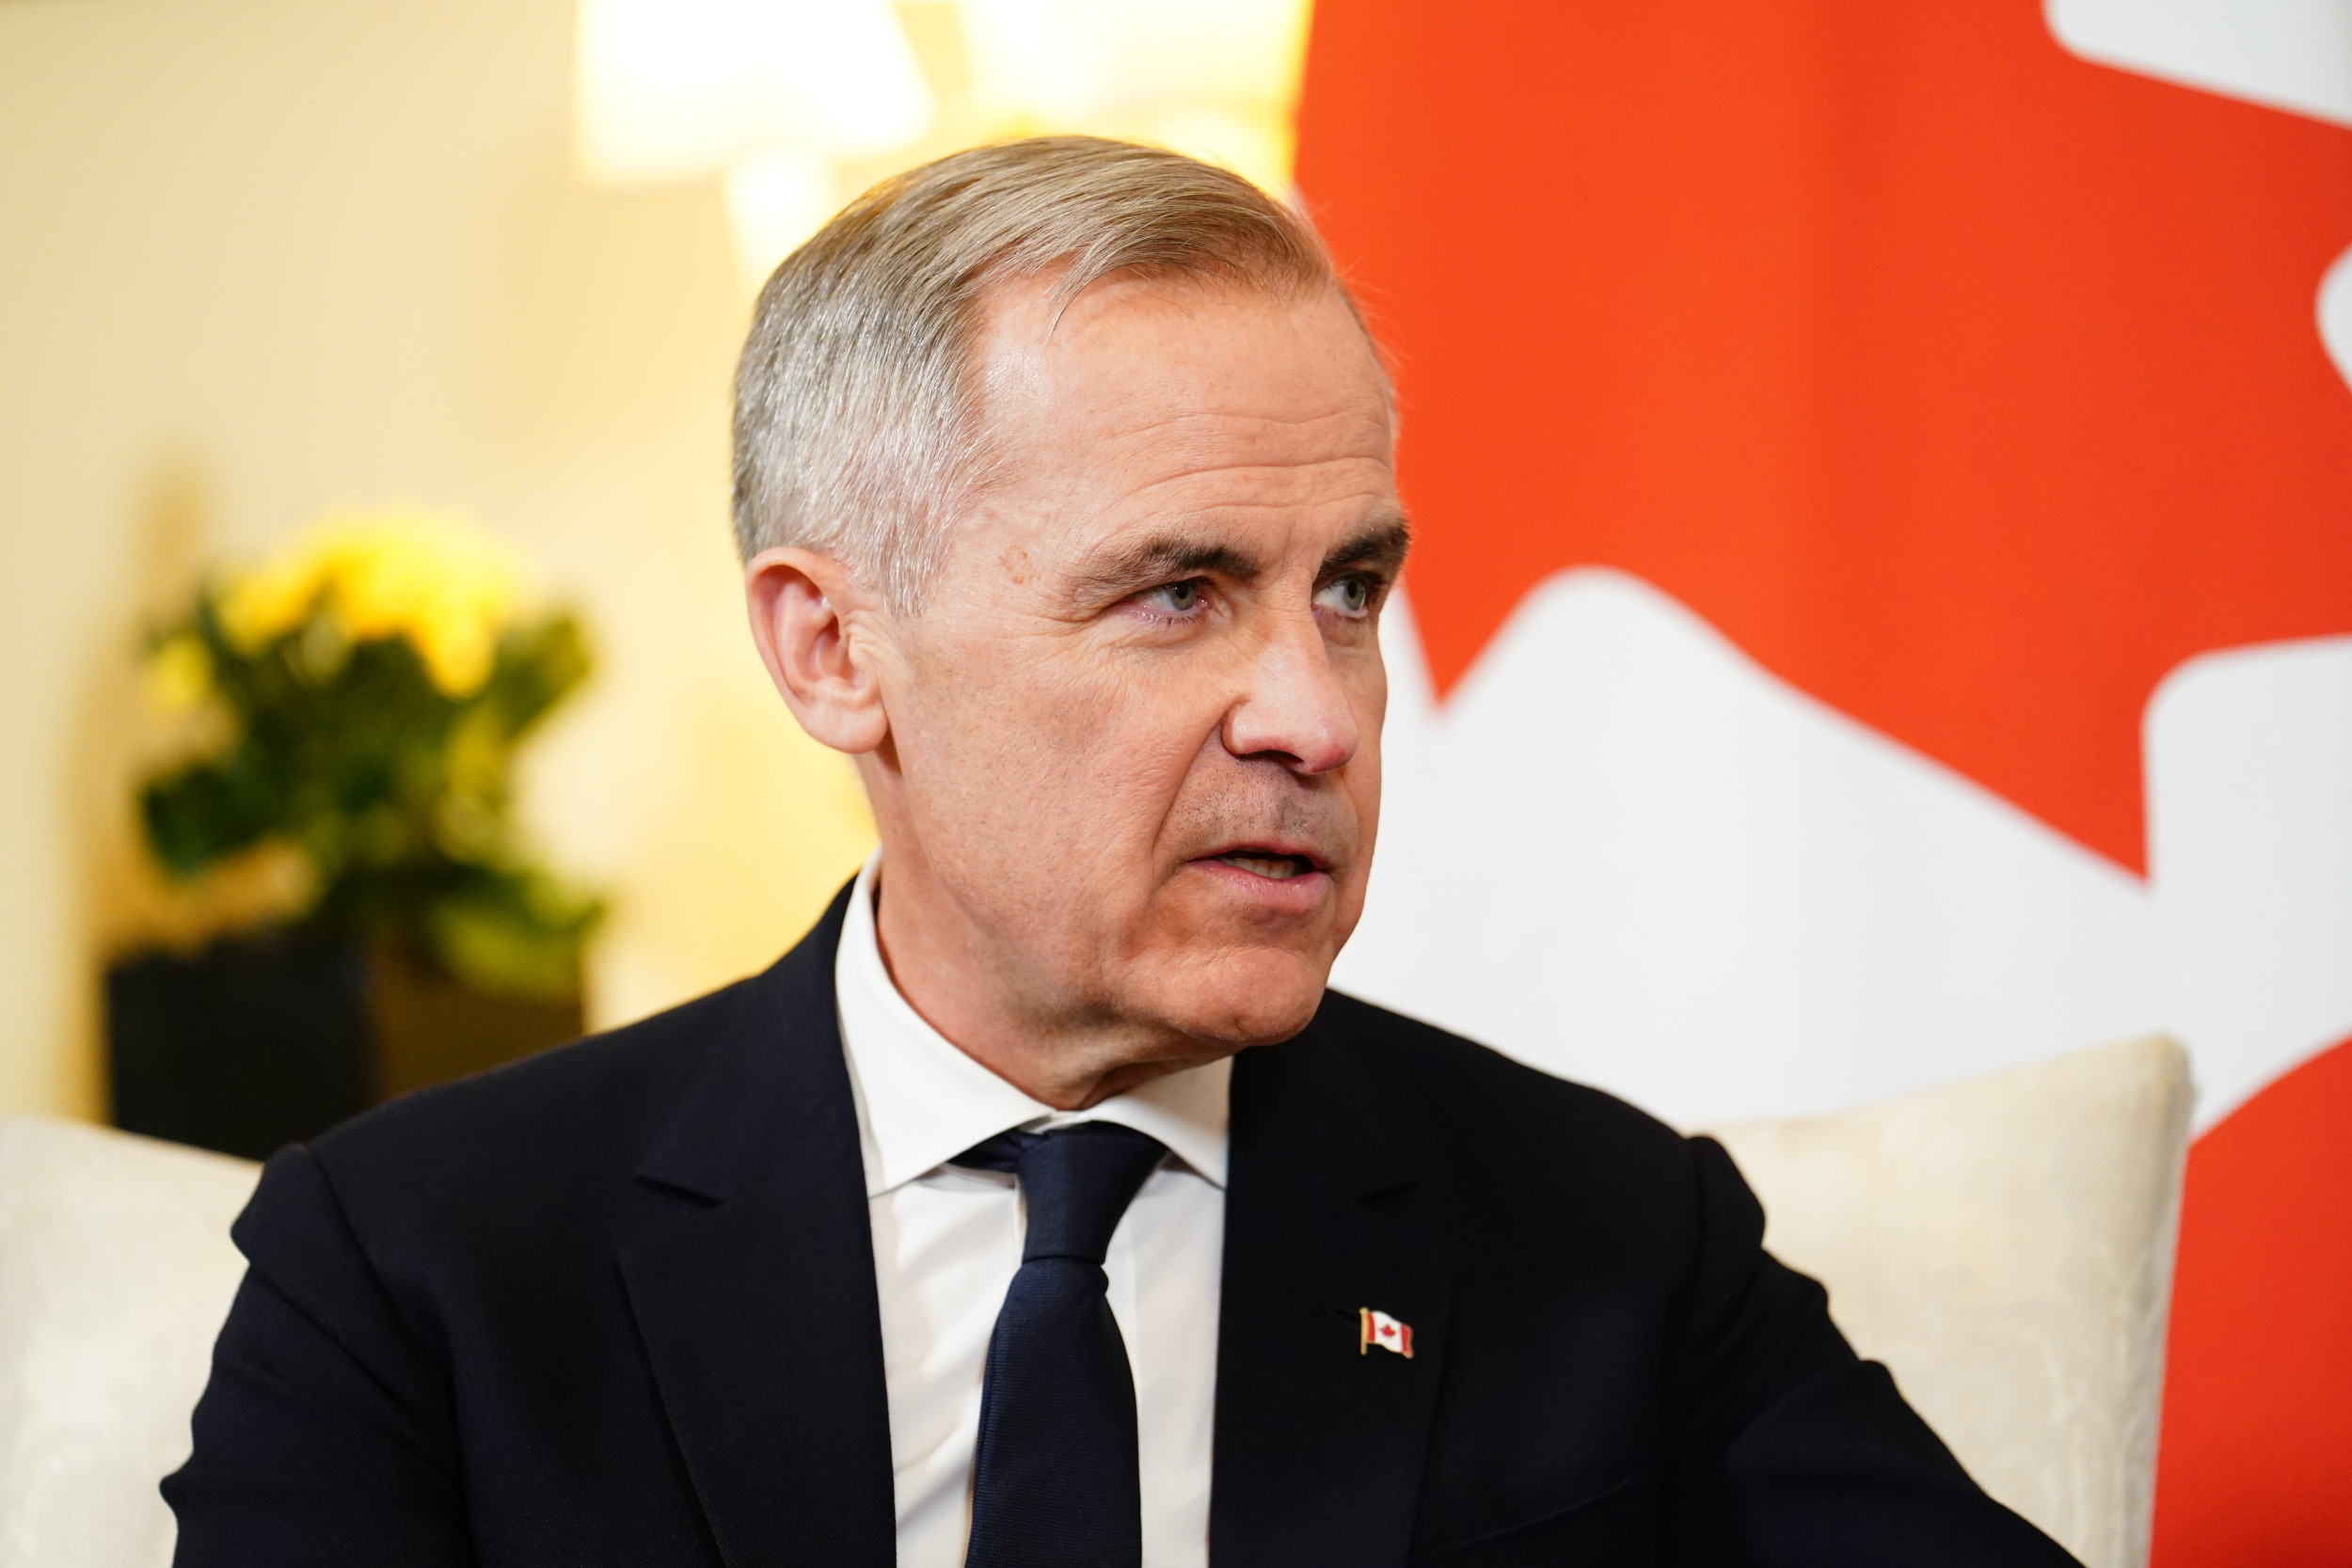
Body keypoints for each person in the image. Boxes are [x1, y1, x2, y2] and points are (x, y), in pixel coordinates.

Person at [166, 137, 2078, 1568]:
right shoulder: (423, 1264)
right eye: (1178, 593)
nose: (1316, 716)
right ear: (833, 651)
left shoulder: (1607, 1241)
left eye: (1350, 591)